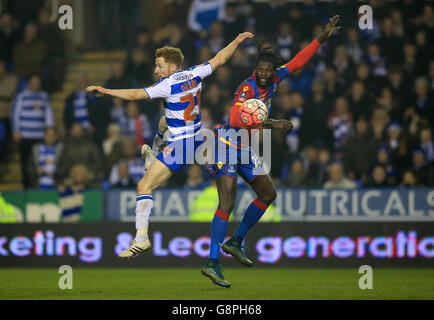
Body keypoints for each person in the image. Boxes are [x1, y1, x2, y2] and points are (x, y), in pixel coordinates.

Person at [86, 32, 254, 258]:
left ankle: (142, 239)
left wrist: (106, 91)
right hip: (195, 136)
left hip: (180, 145)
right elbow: (220, 58)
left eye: (159, 66)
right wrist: (236, 40)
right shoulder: (195, 72)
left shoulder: (167, 84)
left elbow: (136, 95)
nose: (156, 71)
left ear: (173, 66)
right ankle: (153, 155)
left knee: (144, 186)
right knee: (164, 121)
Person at [202, 16, 341, 287]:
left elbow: (299, 62)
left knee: (268, 194)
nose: (265, 73)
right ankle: (212, 262)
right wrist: (272, 123)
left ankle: (236, 241)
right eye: (261, 69)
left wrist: (322, 38)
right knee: (227, 202)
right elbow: (235, 119)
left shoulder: (277, 77)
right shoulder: (247, 87)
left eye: (268, 69)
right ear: (256, 69)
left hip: (245, 147)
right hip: (226, 144)